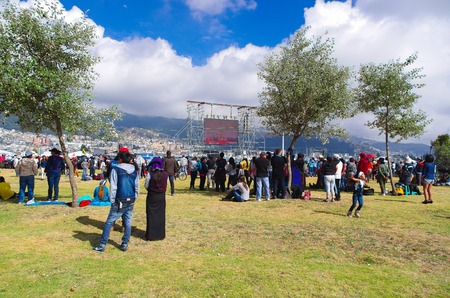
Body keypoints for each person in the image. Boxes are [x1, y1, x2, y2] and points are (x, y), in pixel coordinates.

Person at [93, 151, 140, 253]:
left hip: (119, 199)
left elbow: (113, 186)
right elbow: (137, 186)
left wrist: (112, 199)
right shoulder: (135, 171)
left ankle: (102, 244)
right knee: (128, 222)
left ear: (121, 159)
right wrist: (135, 196)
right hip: (131, 198)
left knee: (109, 221)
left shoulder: (116, 169)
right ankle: (124, 243)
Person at [144, 157, 168, 241]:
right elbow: (166, 185)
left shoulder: (150, 173)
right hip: (161, 196)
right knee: (160, 215)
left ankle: (151, 234)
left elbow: (146, 185)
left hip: (152, 195)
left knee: (151, 214)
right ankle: (160, 234)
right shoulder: (165, 174)